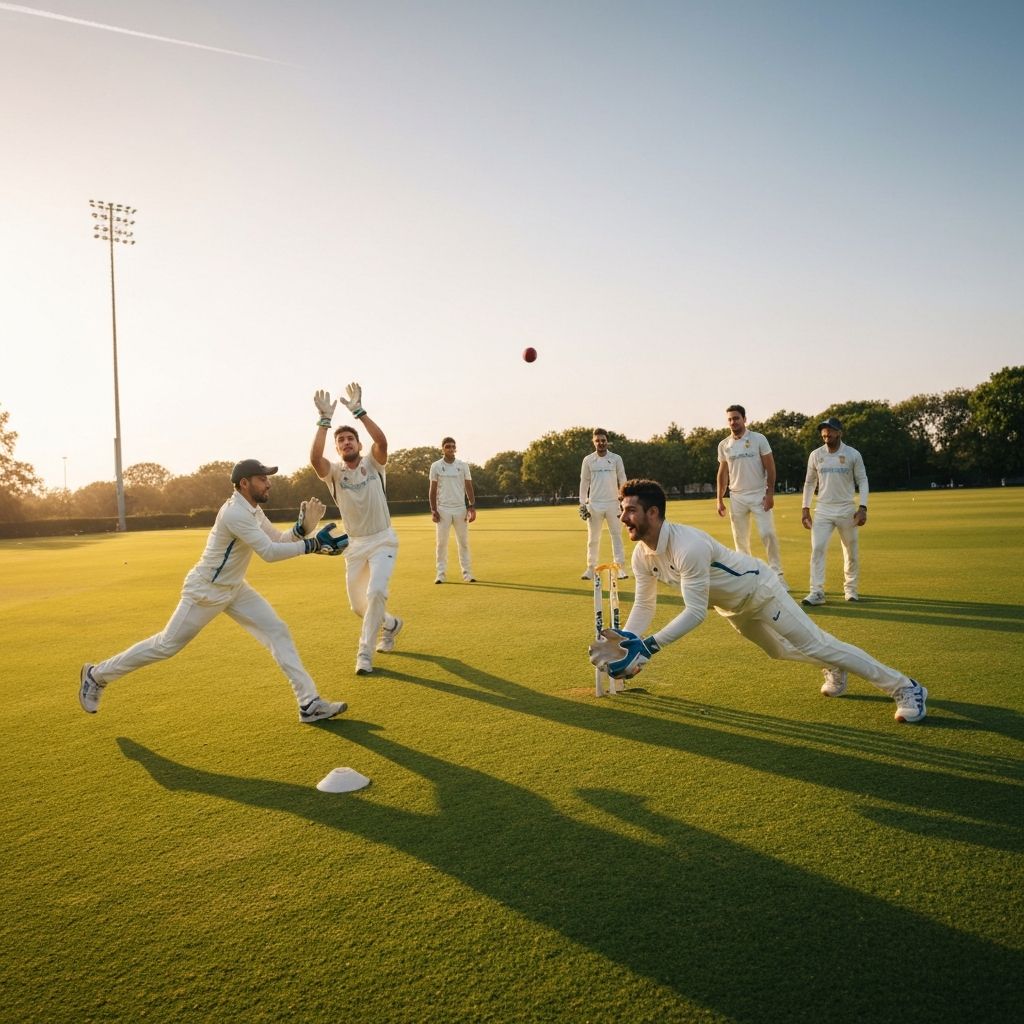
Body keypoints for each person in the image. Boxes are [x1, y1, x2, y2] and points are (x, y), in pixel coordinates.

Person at [588, 479, 927, 722]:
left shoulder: (687, 545)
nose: (622, 518)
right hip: (733, 607)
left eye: (630, 510)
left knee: (817, 644)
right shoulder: (641, 555)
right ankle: (836, 666)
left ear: (653, 512)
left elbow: (694, 612)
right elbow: (645, 605)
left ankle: (905, 687)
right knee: (778, 651)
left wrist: (646, 649)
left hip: (761, 591)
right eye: (622, 510)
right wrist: (626, 642)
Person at [78, 460, 350, 724]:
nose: (268, 484)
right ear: (244, 483)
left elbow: (276, 540)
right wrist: (313, 544)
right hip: (205, 591)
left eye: (268, 478)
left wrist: (301, 531)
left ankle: (309, 703)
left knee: (277, 630)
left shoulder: (253, 509)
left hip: (234, 588)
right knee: (165, 646)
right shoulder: (235, 513)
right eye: (262, 479)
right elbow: (268, 553)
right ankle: (97, 675)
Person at [312, 384, 403, 676]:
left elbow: (383, 442)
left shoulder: (373, 464)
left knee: (376, 591)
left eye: (351, 438)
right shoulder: (335, 474)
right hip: (355, 546)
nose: (346, 442)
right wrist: (325, 422)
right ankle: (390, 625)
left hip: (383, 540)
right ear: (337, 449)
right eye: (341, 441)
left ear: (359, 445)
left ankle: (364, 654)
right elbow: (315, 460)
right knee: (358, 607)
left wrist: (359, 413)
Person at [716, 404, 787, 587]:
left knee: (767, 534)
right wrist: (719, 499)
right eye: (730, 419)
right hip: (737, 496)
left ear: (744, 419)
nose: (733, 422)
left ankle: (777, 575)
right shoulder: (724, 445)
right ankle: (747, 578)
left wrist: (770, 493)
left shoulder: (758, 439)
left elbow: (770, 467)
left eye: (736, 418)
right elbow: (723, 473)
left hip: (758, 494)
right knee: (740, 540)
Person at [801, 417, 869, 605]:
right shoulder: (816, 455)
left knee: (850, 550)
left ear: (839, 432)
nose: (826, 433)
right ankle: (816, 592)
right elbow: (809, 482)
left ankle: (851, 590)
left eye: (830, 430)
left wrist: (862, 507)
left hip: (846, 509)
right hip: (823, 509)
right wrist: (805, 509)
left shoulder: (853, 454)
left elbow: (862, 480)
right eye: (823, 430)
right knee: (817, 549)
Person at [579, 428, 628, 580]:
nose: (601, 443)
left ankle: (619, 568)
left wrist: (624, 500)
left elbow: (622, 479)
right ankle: (590, 568)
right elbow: (584, 482)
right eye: (597, 441)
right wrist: (582, 504)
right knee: (593, 538)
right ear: (593, 442)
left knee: (616, 536)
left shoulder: (616, 458)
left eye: (603, 440)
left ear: (607, 441)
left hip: (613, 503)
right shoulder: (588, 460)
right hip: (594, 504)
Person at [428, 437, 476, 583]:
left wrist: (472, 506)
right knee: (441, 543)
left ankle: (467, 574)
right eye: (447, 446)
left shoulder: (463, 466)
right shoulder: (435, 466)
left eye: (452, 446)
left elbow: (468, 486)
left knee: (463, 542)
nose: (450, 448)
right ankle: (440, 574)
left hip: (460, 508)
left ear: (456, 448)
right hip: (443, 509)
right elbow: (432, 489)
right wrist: (433, 510)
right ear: (442, 448)